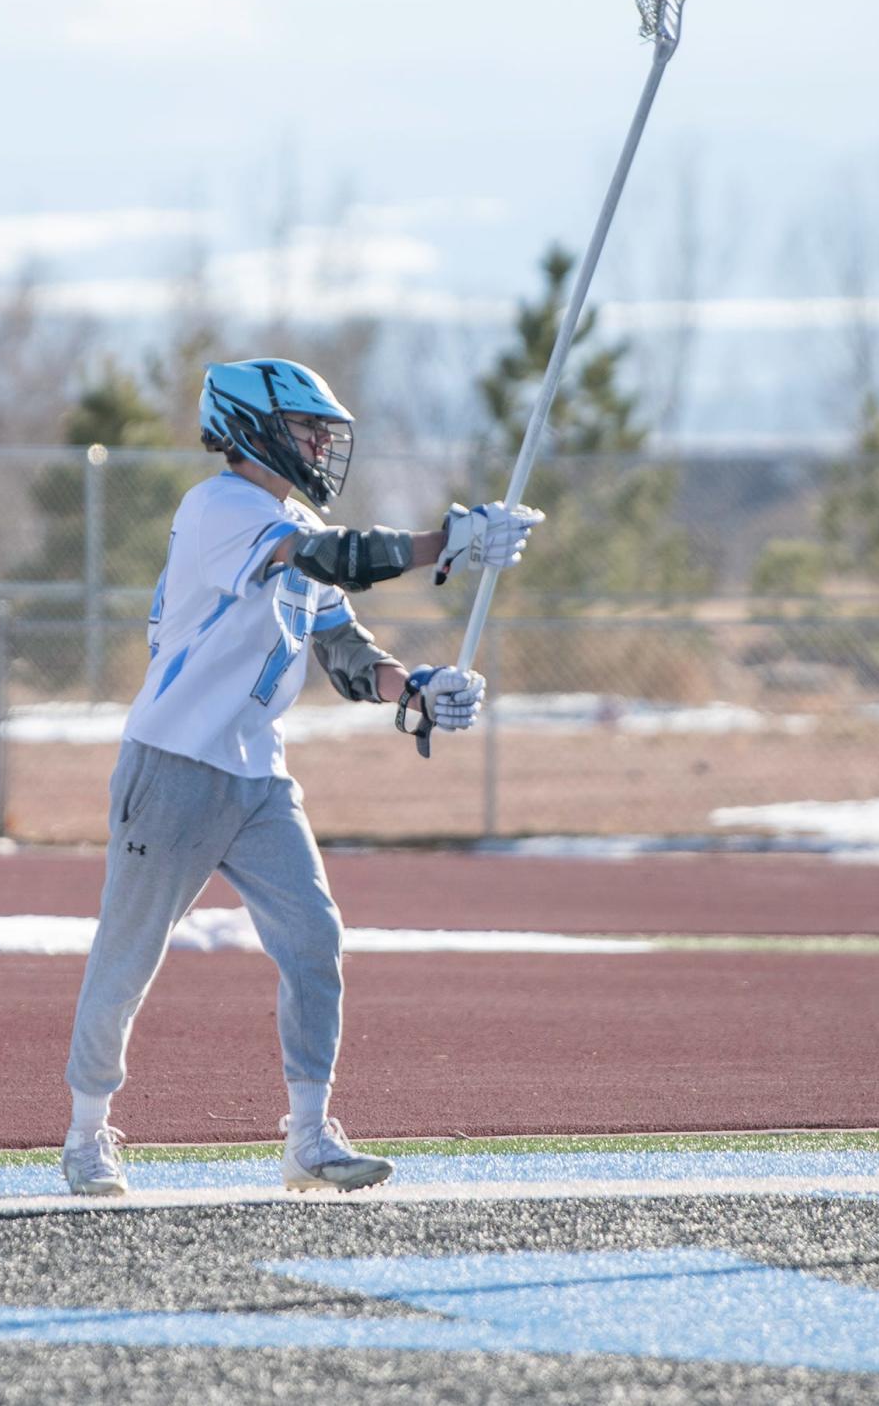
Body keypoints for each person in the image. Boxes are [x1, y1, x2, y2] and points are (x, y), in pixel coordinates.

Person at [62, 357, 542, 1198]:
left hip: (256, 775)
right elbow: (327, 556)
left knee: (314, 940)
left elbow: (347, 650)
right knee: (127, 958)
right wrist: (445, 544)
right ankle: (86, 1132)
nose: (321, 446)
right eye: (307, 430)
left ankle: (310, 1137)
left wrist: (418, 691)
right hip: (173, 765)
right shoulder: (220, 508)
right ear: (252, 428)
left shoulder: (285, 519)